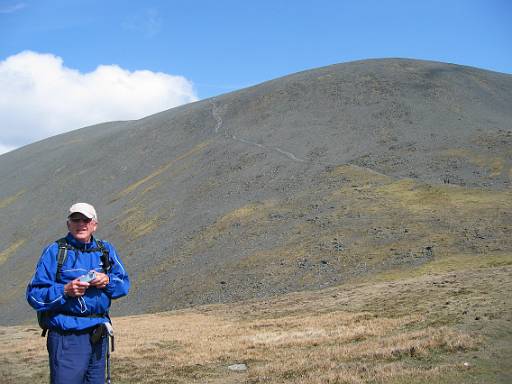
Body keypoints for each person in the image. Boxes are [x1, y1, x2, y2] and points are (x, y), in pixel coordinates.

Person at [26, 202, 130, 384]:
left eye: (86, 220)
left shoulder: (105, 250)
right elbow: (34, 295)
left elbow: (124, 286)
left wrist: (107, 281)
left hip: (99, 334)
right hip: (68, 337)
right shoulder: (55, 252)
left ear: (94, 224)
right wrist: (65, 291)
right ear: (68, 224)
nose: (81, 224)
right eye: (75, 219)